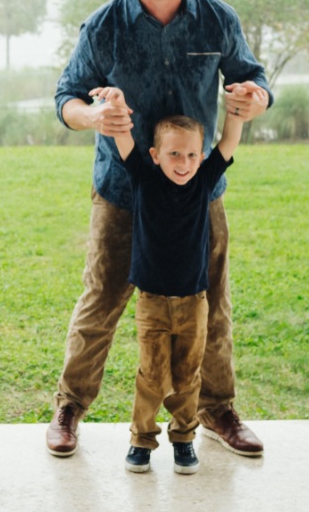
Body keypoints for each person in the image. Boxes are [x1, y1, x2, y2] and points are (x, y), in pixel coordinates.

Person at [47, 0, 272, 459]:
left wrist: (255, 97)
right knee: (101, 299)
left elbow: (253, 78)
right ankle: (69, 406)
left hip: (199, 198)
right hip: (121, 193)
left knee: (212, 301)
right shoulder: (103, 26)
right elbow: (66, 98)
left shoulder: (217, 19)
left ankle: (218, 409)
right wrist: (93, 118)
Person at [91, 87, 246, 475]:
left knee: (187, 375)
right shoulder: (144, 179)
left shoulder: (204, 181)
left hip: (195, 301)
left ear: (201, 157)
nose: (184, 162)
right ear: (156, 156)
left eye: (192, 154)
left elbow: (228, 141)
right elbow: (123, 138)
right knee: (151, 375)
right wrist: (116, 104)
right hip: (153, 301)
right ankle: (141, 441)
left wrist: (237, 111)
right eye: (174, 154)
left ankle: (183, 439)